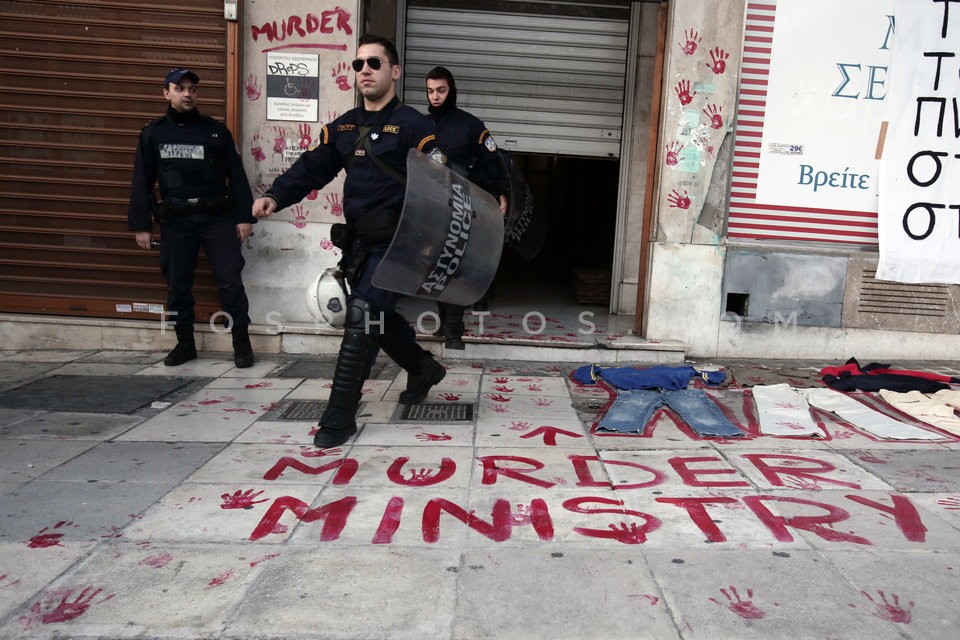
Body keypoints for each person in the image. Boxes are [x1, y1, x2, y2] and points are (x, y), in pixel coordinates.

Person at [252, 34, 447, 448]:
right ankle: (423, 367)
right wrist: (274, 196)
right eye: (358, 65)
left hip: (401, 244)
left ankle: (338, 418)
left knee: (361, 314)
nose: (365, 71)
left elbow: (441, 183)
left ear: (394, 72)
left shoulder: (414, 125)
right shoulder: (343, 128)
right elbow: (310, 168)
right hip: (361, 245)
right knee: (374, 316)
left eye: (374, 63)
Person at [128, 68, 257, 369]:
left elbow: (236, 177)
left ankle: (242, 344)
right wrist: (142, 226)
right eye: (180, 88)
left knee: (230, 281)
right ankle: (184, 344)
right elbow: (141, 182)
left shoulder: (215, 132)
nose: (188, 94)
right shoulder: (153, 134)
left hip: (216, 218)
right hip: (176, 220)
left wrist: (244, 218)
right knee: (177, 285)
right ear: (166, 93)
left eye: (193, 89)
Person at [425, 66, 508, 349]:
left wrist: (500, 192)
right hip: (431, 206)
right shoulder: (420, 126)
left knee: (454, 265)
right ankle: (444, 325)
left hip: (462, 205)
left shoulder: (471, 125)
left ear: (451, 90)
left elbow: (491, 160)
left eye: (441, 90)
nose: (435, 96)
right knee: (434, 266)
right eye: (430, 91)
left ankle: (453, 331)